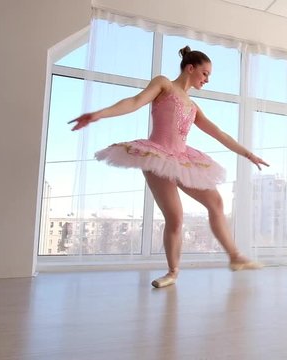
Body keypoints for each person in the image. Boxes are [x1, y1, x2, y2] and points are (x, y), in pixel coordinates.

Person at [69, 46, 269, 288]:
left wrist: (248, 154)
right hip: (158, 157)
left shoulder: (193, 106)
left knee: (215, 202)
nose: (207, 80)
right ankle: (172, 272)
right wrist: (99, 114)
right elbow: (135, 101)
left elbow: (219, 133)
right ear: (190, 68)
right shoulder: (164, 84)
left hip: (184, 160)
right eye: (205, 74)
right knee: (175, 217)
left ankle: (235, 257)